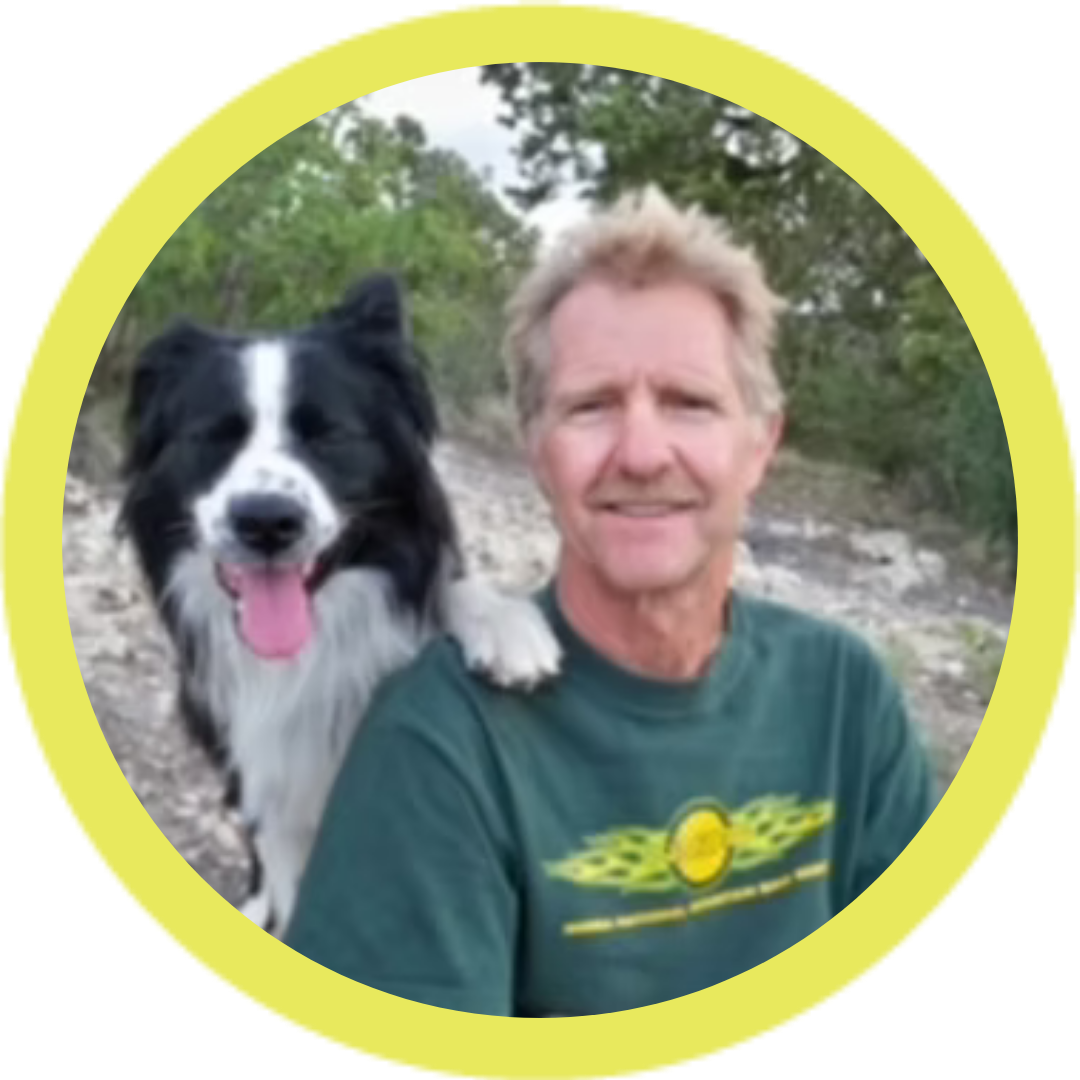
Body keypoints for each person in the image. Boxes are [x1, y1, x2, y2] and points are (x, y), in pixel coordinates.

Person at [284, 186, 938, 1016]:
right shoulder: (440, 742)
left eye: (689, 403)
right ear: (536, 450)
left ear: (760, 444)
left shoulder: (844, 694)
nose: (640, 452)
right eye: (592, 407)